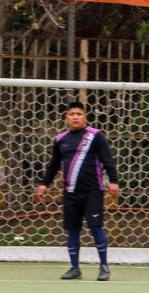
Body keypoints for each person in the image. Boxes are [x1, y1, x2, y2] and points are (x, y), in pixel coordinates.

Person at [34, 101, 121, 281]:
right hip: (71, 192)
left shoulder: (95, 136)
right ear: (66, 117)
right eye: (71, 114)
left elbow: (108, 159)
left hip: (93, 191)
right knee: (72, 229)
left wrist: (113, 181)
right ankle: (75, 268)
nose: (75, 117)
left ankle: (104, 267)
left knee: (96, 227)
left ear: (85, 117)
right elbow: (54, 164)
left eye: (79, 114)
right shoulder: (60, 139)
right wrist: (44, 183)